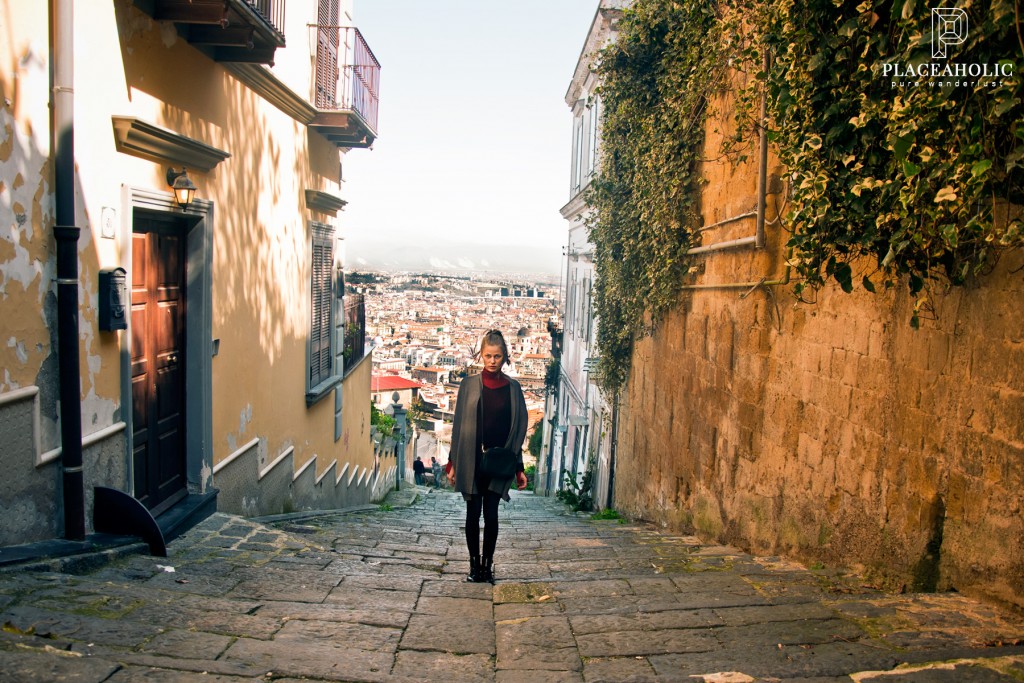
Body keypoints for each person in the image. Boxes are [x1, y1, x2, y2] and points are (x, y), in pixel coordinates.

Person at [446, 329, 528, 583]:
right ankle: (473, 566)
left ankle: (487, 564)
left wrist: (519, 467)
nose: (492, 361)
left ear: (505, 357)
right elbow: (458, 426)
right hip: (472, 459)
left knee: (491, 515)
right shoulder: (468, 385)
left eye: (498, 356)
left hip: (499, 461)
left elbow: (516, 432)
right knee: (473, 514)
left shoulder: (513, 389)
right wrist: (452, 463)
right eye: (488, 355)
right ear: (481, 355)